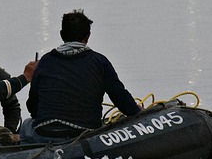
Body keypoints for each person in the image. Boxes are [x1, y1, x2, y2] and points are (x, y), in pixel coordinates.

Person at [23, 9, 141, 141]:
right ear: (88, 36)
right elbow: (121, 98)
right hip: (85, 134)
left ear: (62, 35)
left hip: (45, 133)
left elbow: (33, 107)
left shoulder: (45, 61)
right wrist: (139, 112)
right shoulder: (100, 62)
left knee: (26, 125)